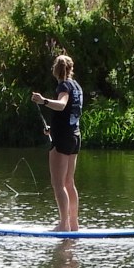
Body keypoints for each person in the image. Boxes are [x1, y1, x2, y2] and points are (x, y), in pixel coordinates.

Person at [30, 54, 84, 232]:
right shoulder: (77, 86)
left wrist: (43, 101)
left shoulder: (64, 86)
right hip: (74, 136)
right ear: (71, 68)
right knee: (69, 182)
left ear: (56, 69)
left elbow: (62, 105)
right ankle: (74, 224)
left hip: (63, 139)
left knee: (58, 184)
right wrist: (52, 128)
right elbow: (69, 113)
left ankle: (63, 225)